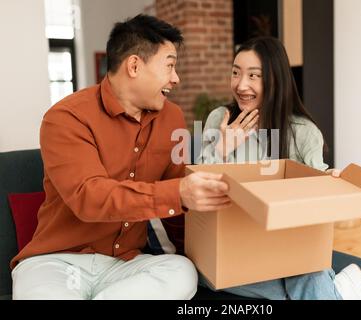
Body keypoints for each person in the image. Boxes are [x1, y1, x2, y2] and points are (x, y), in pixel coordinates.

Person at [10, 14, 230, 300]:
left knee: (181, 271)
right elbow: (89, 197)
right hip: (58, 262)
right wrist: (178, 194)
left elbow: (179, 202)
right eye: (170, 66)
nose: (176, 78)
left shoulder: (172, 117)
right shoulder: (66, 118)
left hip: (125, 264)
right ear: (135, 65)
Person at [193, 36, 361, 300]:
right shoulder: (219, 120)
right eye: (235, 72)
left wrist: (331, 181)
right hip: (233, 246)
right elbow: (196, 188)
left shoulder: (303, 133)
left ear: (275, 80)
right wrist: (221, 149)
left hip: (286, 247)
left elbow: (318, 194)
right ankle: (342, 289)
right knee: (204, 275)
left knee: (308, 273)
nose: (241, 84)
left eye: (253, 75)